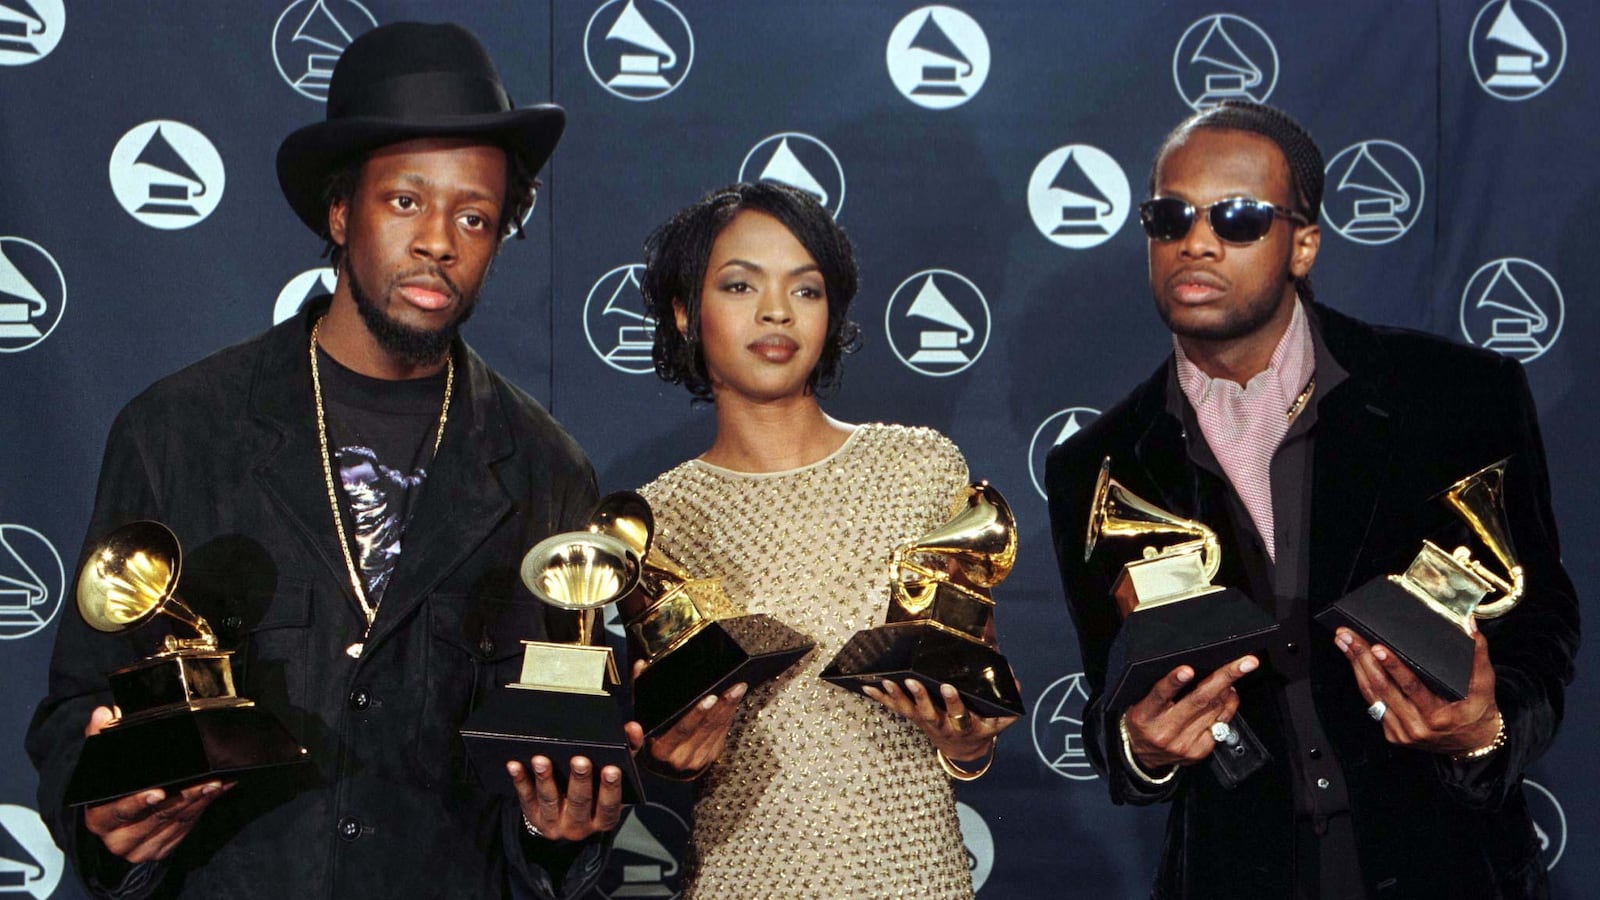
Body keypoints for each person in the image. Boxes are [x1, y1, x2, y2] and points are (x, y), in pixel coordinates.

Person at [26, 22, 629, 899]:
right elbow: (76, 708)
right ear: (340, 210)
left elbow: (545, 770)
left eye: (474, 216)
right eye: (405, 202)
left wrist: (556, 832)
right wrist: (109, 818)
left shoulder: (544, 470)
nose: (438, 242)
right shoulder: (177, 431)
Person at [1045, 100, 1578, 899]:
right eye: (1168, 216)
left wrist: (1485, 731)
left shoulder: (1458, 397)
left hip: (1453, 865)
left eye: (1238, 217)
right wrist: (1141, 747)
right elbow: (1111, 696)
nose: (1196, 240)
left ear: (1302, 244)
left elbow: (1539, 625)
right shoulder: (1095, 466)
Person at [630, 182, 1017, 898]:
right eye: (741, 284)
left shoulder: (920, 470)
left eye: (804, 290)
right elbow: (661, 754)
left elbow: (971, 697)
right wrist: (673, 762)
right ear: (686, 312)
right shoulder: (656, 520)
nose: (776, 310)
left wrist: (966, 740)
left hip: (915, 876)